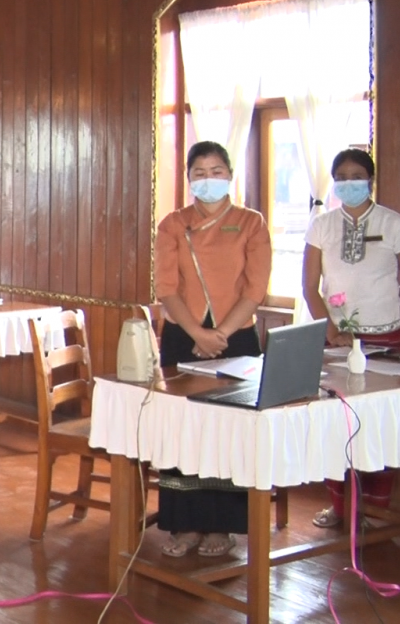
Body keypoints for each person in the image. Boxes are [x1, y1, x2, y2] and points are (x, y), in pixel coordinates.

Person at [153, 141, 271, 558]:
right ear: (188, 179)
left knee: (228, 431)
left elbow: (256, 287)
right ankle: (184, 523)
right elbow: (166, 287)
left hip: (235, 336)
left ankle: (223, 525)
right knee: (182, 429)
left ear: (230, 174)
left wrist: (219, 333)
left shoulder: (251, 222)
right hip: (182, 335)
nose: (208, 179)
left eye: (216, 171)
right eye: (199, 173)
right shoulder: (173, 224)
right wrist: (197, 334)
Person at [302, 148, 400, 530]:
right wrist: (331, 329)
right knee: (335, 423)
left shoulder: (393, 222)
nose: (349, 183)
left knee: (380, 425)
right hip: (336, 339)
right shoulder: (322, 225)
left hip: (384, 337)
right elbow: (310, 286)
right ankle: (340, 507)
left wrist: (384, 308)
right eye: (341, 177)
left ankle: (374, 510)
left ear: (370, 180)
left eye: (357, 176)